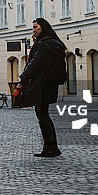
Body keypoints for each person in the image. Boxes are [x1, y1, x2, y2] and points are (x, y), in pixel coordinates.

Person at [16, 18, 66, 157]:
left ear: (42, 27)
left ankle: (50, 147)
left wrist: (22, 80)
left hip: (41, 84)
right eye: (33, 27)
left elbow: (34, 63)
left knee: (42, 116)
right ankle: (52, 146)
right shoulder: (54, 42)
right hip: (49, 83)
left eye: (35, 27)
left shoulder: (44, 44)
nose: (34, 30)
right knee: (45, 115)